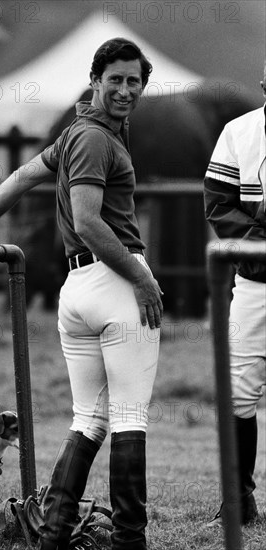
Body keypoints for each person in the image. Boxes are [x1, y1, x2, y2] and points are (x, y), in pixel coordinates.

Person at [0, 37, 163, 550]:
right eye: (116, 80)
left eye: (135, 81)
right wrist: (143, 278)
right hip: (115, 280)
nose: (126, 90)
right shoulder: (96, 140)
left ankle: (53, 535)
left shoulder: (76, 134)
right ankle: (131, 541)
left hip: (77, 291)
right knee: (128, 417)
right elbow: (87, 221)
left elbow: (21, 175)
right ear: (94, 81)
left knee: (90, 419)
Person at [204, 62, 266, 526]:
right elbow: (218, 202)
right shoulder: (240, 131)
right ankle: (239, 500)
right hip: (255, 281)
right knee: (239, 392)